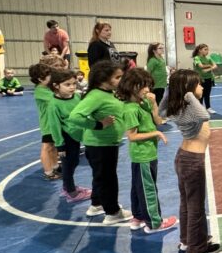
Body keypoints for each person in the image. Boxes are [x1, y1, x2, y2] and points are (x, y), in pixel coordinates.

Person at [161, 69, 218, 253]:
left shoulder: (182, 108)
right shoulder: (191, 107)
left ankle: (187, 240)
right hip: (193, 161)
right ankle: (197, 248)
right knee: (196, 206)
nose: (202, 87)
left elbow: (161, 111)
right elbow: (204, 116)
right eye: (198, 84)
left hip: (184, 157)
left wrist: (169, 93)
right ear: (189, 89)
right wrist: (190, 95)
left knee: (187, 202)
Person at [69, 60, 131, 226]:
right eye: (117, 77)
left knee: (101, 176)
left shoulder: (108, 93)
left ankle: (97, 204)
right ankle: (112, 212)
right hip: (100, 145)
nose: (121, 80)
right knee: (107, 179)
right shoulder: (96, 95)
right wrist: (98, 124)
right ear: (104, 79)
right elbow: (75, 116)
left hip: (106, 143)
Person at [119, 68, 177, 234]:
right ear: (131, 86)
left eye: (148, 86)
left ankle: (137, 217)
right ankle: (154, 222)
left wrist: (154, 104)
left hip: (148, 153)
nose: (147, 90)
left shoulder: (142, 103)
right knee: (148, 189)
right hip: (143, 155)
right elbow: (132, 136)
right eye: (143, 86)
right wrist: (156, 133)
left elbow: (158, 121)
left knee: (139, 187)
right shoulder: (130, 109)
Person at [46, 69, 90, 204]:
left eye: (74, 84)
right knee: (68, 165)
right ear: (56, 85)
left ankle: (67, 187)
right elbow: (54, 126)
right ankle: (71, 192)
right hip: (66, 138)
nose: (72, 87)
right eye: (67, 84)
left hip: (76, 136)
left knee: (74, 161)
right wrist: (60, 145)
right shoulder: (53, 104)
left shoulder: (76, 97)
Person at [30, 63, 59, 180]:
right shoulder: (40, 90)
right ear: (40, 79)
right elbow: (57, 98)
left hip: (54, 122)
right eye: (49, 75)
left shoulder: (46, 88)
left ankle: (55, 166)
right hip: (48, 124)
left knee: (54, 145)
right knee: (47, 147)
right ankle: (48, 172)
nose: (52, 77)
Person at [192, 43, 216, 114]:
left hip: (209, 78)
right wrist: (210, 65)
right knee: (200, 95)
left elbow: (215, 66)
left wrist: (208, 69)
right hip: (200, 79)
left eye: (207, 50)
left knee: (207, 94)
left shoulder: (209, 58)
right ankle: (200, 109)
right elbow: (201, 66)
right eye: (205, 49)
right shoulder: (197, 58)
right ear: (200, 50)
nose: (207, 51)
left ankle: (208, 108)